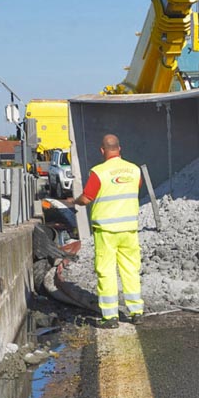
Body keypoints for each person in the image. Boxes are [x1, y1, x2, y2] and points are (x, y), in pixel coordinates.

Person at [63, 134, 144, 328]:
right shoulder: (134, 170)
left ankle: (110, 316)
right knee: (131, 269)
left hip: (106, 231)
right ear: (119, 148)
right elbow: (134, 188)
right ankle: (136, 312)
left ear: (102, 150)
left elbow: (87, 198)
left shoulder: (99, 172)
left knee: (106, 271)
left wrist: (74, 201)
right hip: (129, 229)